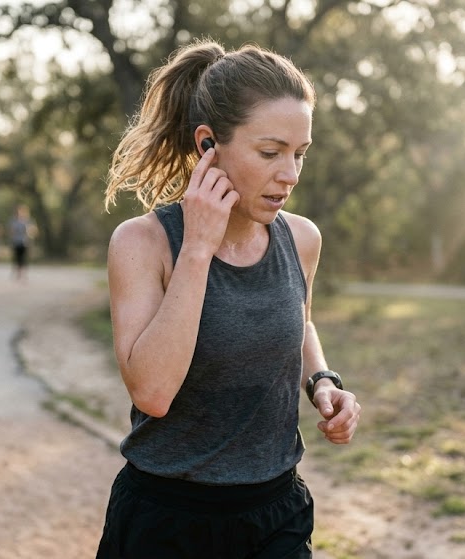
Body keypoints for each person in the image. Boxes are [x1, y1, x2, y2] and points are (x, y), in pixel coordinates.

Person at [96, 40, 361, 559]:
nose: (289, 174)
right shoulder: (142, 243)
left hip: (275, 513)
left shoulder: (302, 238)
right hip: (165, 522)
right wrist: (197, 248)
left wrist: (323, 381)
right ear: (207, 146)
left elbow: (300, 321)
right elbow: (151, 391)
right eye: (270, 152)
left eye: (299, 153)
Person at [9, 204, 35, 281]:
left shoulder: (28, 221)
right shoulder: (13, 220)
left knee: (24, 258)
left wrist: (30, 232)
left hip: (25, 242)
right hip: (16, 241)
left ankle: (23, 274)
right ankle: (18, 274)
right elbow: (11, 231)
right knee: (17, 258)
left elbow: (33, 231)